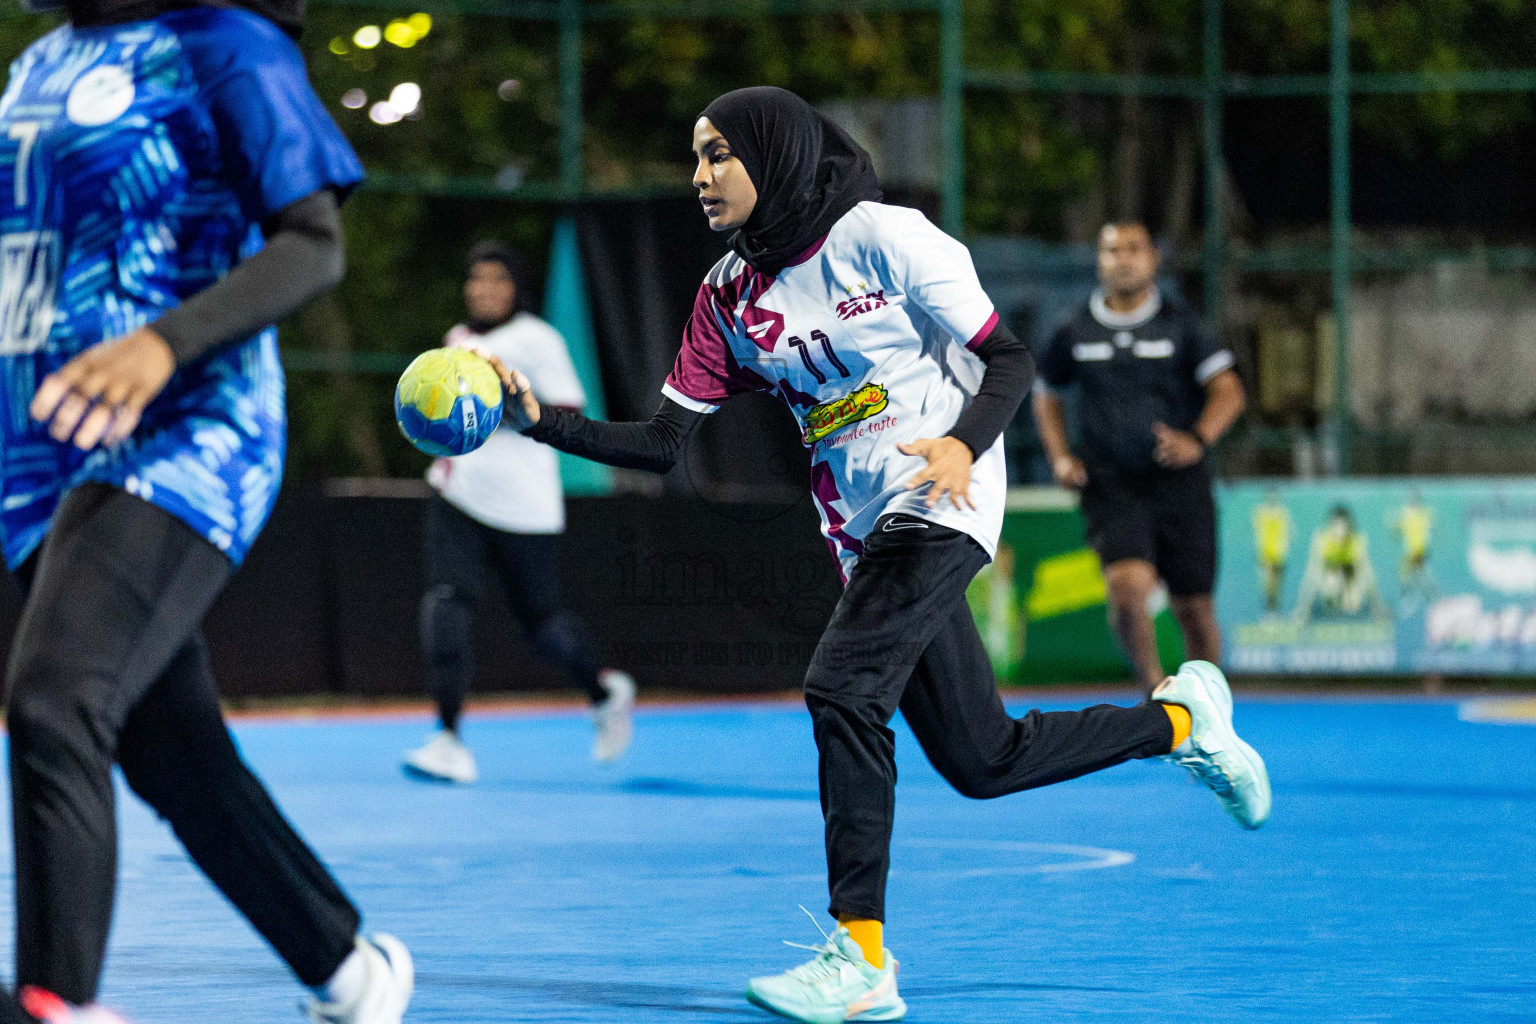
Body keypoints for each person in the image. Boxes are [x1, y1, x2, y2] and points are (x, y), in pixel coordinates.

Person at [482, 86, 1271, 1024]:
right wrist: (536, 424)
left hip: (943, 492)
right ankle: (1180, 722)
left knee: (843, 686)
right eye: (694, 157)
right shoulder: (727, 295)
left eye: (718, 155)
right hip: (861, 530)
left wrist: (960, 445)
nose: (699, 176)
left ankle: (860, 956)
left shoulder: (888, 238)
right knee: (985, 759)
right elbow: (662, 444)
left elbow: (1009, 359)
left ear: (773, 156)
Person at [0, 4, 411, 1021]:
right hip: (37, 453)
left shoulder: (225, 41)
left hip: (183, 434)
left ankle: (56, 1004)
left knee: (55, 704)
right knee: (171, 749)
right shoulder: (39, 60)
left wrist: (162, 345)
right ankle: (350, 969)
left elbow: (313, 245)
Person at [402, 241, 637, 783]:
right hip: (456, 496)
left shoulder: (537, 339)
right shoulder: (456, 344)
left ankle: (603, 694)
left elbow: (571, 411)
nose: (483, 289)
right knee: (446, 602)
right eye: (475, 278)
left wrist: (510, 408)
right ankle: (448, 739)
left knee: (544, 625)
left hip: (524, 507)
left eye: (497, 279)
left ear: (516, 287)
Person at [1033, 223, 1248, 698]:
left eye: (1134, 249)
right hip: (1111, 485)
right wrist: (1061, 457)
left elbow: (1229, 391)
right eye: (1112, 250)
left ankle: (1209, 705)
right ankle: (1157, 698)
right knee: (1128, 590)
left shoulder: (1183, 325)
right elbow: (1046, 394)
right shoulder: (1073, 329)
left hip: (1180, 486)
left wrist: (1198, 437)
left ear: (1153, 258)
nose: (1123, 259)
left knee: (1192, 607)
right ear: (1099, 259)